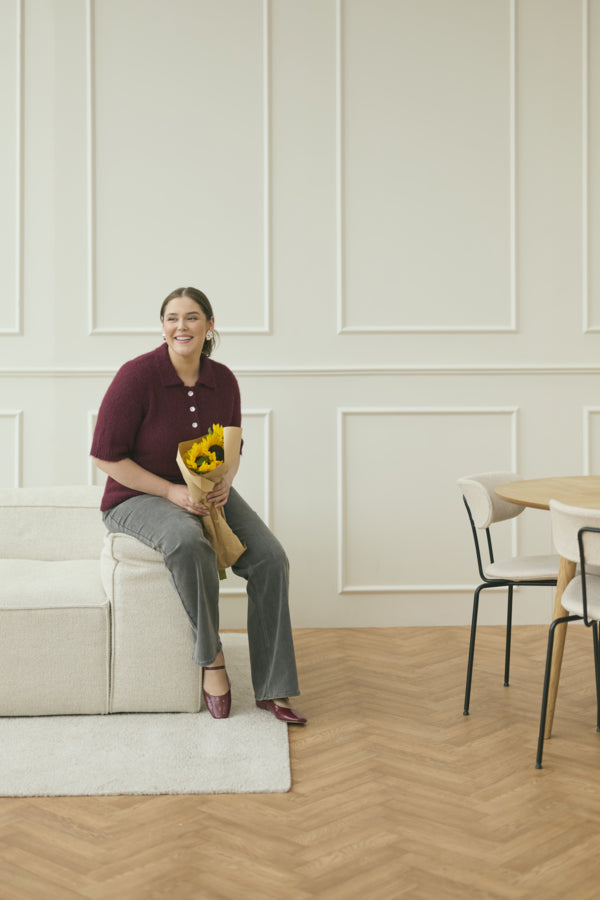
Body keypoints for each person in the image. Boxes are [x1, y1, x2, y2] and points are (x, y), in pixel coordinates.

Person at [90, 286, 306, 724]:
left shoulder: (222, 380)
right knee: (189, 543)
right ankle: (212, 659)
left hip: (204, 488)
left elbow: (231, 444)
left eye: (191, 317)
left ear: (209, 325)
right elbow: (105, 457)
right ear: (162, 327)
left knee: (270, 558)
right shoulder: (137, 376)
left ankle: (274, 686)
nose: (181, 326)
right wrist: (169, 492)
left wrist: (226, 481)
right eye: (172, 318)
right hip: (135, 496)